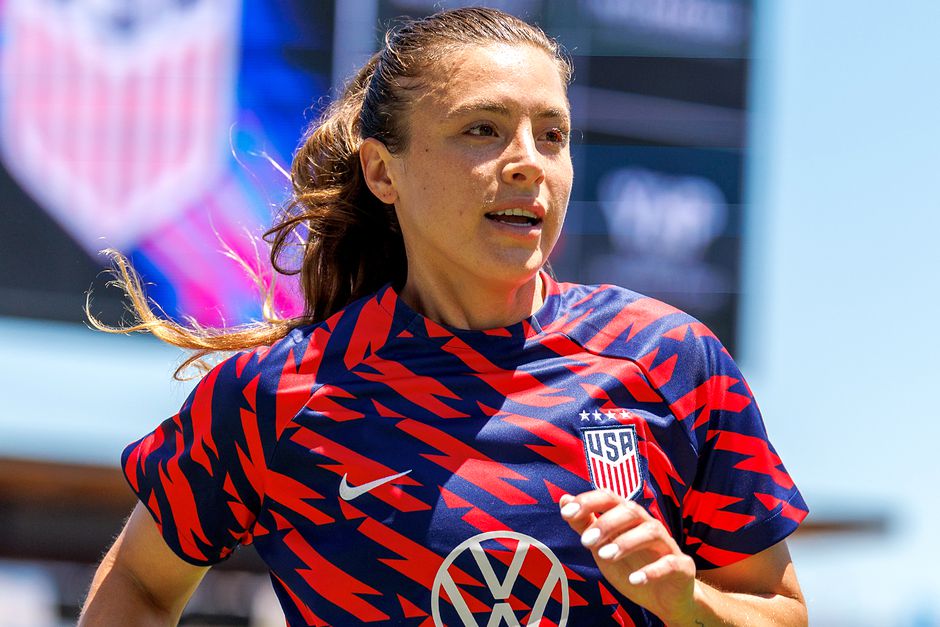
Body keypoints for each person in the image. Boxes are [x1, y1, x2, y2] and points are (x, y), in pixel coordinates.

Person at [79, 7, 808, 626]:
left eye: (551, 135)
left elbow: (779, 608)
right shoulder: (278, 395)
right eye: (483, 129)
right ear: (382, 170)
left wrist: (687, 603)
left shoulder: (670, 360)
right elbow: (139, 584)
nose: (529, 163)